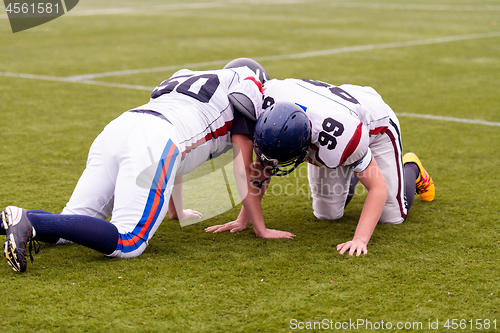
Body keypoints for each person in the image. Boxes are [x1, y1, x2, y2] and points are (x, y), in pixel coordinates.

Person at [1, 58, 295, 273]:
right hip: (156, 140)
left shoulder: (189, 76)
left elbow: (181, 151)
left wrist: (176, 210)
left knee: (67, 226)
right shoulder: (248, 84)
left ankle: (21, 218)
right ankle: (28, 221)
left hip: (121, 126)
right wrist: (260, 228)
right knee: (129, 242)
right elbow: (242, 169)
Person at [206, 78, 435, 256]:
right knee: (326, 215)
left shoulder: (340, 138)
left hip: (375, 124)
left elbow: (378, 188)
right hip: (334, 114)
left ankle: (411, 167)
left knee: (391, 216)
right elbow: (263, 168)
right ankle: (353, 169)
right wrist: (242, 219)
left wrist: (360, 240)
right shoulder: (268, 109)